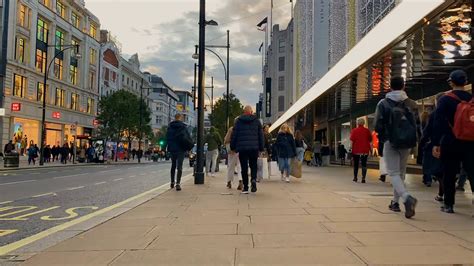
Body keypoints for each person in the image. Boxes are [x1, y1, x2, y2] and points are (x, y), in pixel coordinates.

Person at [374, 76, 418, 218]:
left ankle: (406, 198)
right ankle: (395, 202)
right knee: (401, 172)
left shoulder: (383, 103)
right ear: (403, 86)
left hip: (390, 141)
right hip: (407, 143)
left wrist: (383, 138)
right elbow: (417, 125)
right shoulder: (411, 103)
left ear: (390, 86)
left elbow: (377, 125)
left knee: (393, 173)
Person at [432, 70, 474, 214]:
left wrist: (436, 143)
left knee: (449, 173)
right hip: (470, 142)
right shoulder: (472, 99)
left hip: (450, 141)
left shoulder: (445, 99)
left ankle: (449, 205)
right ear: (465, 82)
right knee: (472, 172)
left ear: (451, 82)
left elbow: (437, 123)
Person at [230, 105, 264, 194]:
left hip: (242, 148)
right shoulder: (257, 121)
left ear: (244, 112)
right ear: (251, 112)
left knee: (244, 167)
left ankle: (245, 186)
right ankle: (253, 179)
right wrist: (261, 147)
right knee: (253, 165)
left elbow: (234, 135)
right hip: (254, 148)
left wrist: (232, 147)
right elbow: (261, 136)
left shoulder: (238, 121)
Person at [166, 114, 193, 191]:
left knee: (173, 165)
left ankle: (172, 182)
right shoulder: (183, 127)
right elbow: (187, 138)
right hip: (181, 149)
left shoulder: (170, 127)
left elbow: (167, 138)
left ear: (175, 118)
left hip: (172, 149)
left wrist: (167, 147)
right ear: (180, 118)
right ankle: (178, 183)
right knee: (179, 167)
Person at [350, 119, 372, 183]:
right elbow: (370, 140)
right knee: (364, 164)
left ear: (357, 123)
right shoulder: (367, 131)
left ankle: (355, 177)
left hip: (356, 150)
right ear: (364, 123)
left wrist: (351, 148)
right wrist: (371, 150)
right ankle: (363, 178)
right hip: (365, 150)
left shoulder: (354, 130)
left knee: (356, 164)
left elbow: (352, 141)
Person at [224, 125, 242, 190]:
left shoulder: (231, 129)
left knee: (231, 166)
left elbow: (226, 139)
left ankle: (229, 182)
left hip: (232, 150)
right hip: (240, 149)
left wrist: (225, 143)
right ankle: (240, 180)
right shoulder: (242, 128)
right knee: (240, 166)